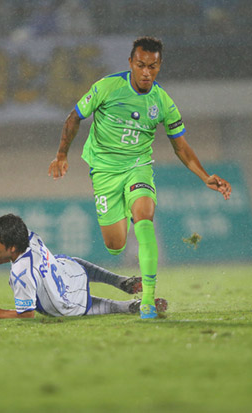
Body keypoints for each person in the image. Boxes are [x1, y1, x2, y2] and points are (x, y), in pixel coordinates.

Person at [48, 36, 231, 319]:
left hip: (138, 167)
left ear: (160, 66)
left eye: (153, 66)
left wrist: (204, 176)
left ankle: (147, 301)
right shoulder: (107, 87)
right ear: (131, 63)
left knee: (144, 219)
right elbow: (74, 117)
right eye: (141, 65)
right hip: (105, 171)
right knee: (115, 245)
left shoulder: (163, 101)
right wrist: (62, 155)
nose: (146, 72)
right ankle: (124, 210)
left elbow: (181, 146)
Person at [0, 213, 167, 319]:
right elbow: (13, 254)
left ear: (11, 246)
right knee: (72, 262)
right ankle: (120, 281)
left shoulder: (21, 274)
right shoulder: (28, 237)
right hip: (69, 273)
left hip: (66, 304)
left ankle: (126, 306)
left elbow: (26, 315)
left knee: (91, 305)